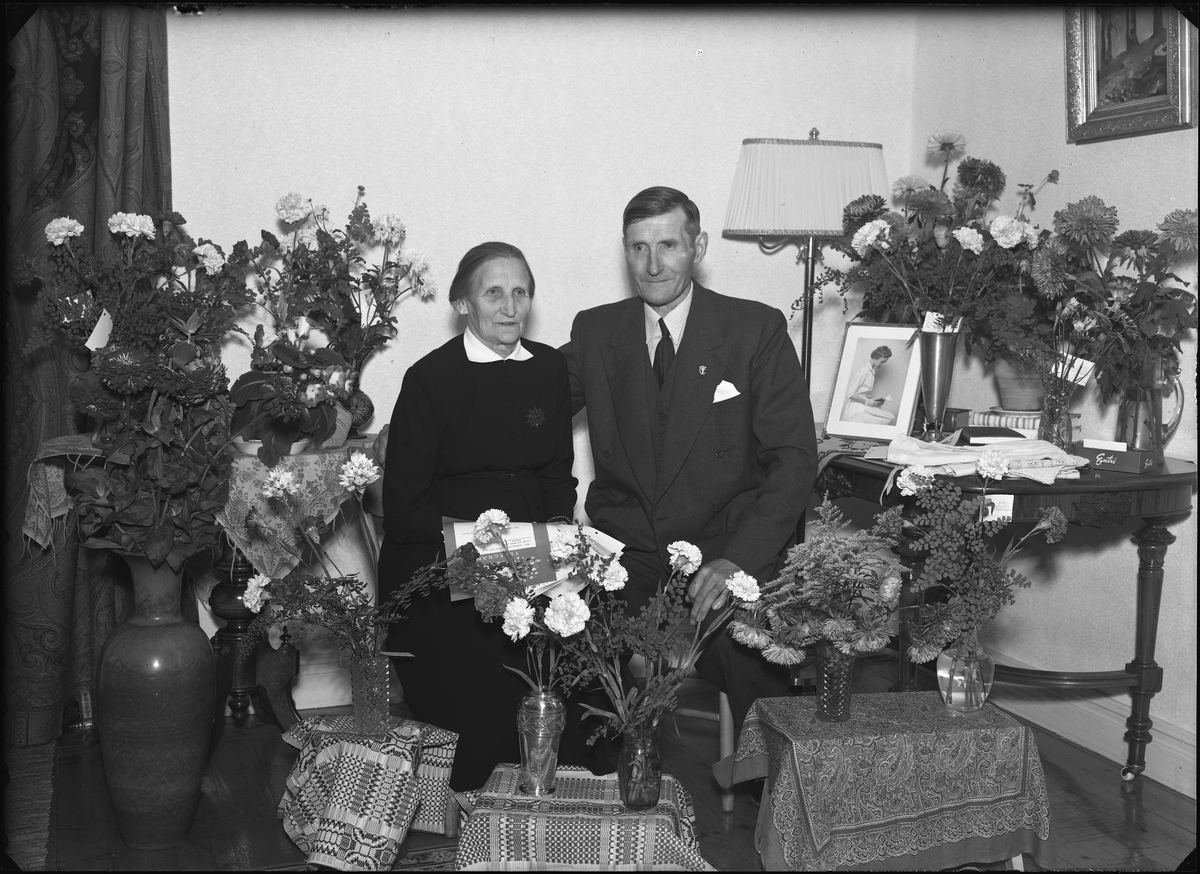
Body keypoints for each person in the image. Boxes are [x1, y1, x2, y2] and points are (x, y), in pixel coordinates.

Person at [561, 186, 819, 733]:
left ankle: (766, 783)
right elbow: (525, 403)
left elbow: (794, 460)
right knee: (570, 645)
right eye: (638, 248)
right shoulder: (596, 331)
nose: (653, 265)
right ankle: (604, 778)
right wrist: (429, 412)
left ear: (697, 248)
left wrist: (737, 560)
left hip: (723, 548)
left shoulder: (754, 329)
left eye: (668, 246)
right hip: (626, 555)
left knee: (757, 662)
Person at [374, 241, 577, 791]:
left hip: (532, 544)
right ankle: (480, 795)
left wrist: (558, 539)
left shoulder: (550, 368)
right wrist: (482, 544)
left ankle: (560, 796)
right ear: (463, 303)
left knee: (581, 645)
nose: (510, 308)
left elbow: (557, 476)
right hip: (442, 554)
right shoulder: (429, 379)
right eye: (494, 294)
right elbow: (403, 515)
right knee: (486, 669)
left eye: (520, 293)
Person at [841, 345, 896, 424]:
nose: (882, 365)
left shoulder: (871, 372)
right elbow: (850, 394)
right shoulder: (864, 371)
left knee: (890, 417)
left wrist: (875, 400)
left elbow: (861, 392)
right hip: (857, 407)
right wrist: (868, 402)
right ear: (876, 357)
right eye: (882, 362)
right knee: (886, 419)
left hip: (862, 404)